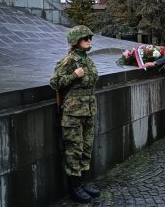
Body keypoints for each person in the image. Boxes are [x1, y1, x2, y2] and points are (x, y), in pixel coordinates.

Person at [49, 25, 101, 203]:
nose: (89, 41)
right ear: (75, 41)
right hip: (73, 114)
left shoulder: (88, 60)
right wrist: (73, 75)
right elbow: (54, 83)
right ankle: (74, 187)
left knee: (86, 148)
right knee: (74, 150)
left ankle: (83, 182)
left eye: (90, 38)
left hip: (88, 111)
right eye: (86, 38)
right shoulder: (68, 61)